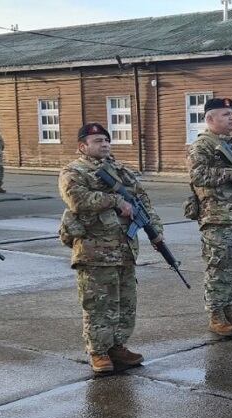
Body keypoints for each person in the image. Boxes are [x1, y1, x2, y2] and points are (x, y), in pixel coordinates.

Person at [58, 123, 163, 373]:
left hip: (124, 249)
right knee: (98, 304)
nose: (104, 144)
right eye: (97, 140)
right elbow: (77, 200)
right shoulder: (74, 171)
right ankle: (98, 352)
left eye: (106, 139)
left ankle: (118, 346)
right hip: (95, 250)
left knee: (124, 303)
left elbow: (142, 199)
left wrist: (155, 232)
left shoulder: (121, 171)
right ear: (82, 146)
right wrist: (115, 200)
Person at [187, 98, 232, 336]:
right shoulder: (202, 145)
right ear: (210, 119)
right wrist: (229, 174)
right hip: (217, 217)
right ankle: (216, 315)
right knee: (219, 266)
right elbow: (197, 174)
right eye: (226, 114)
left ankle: (230, 310)